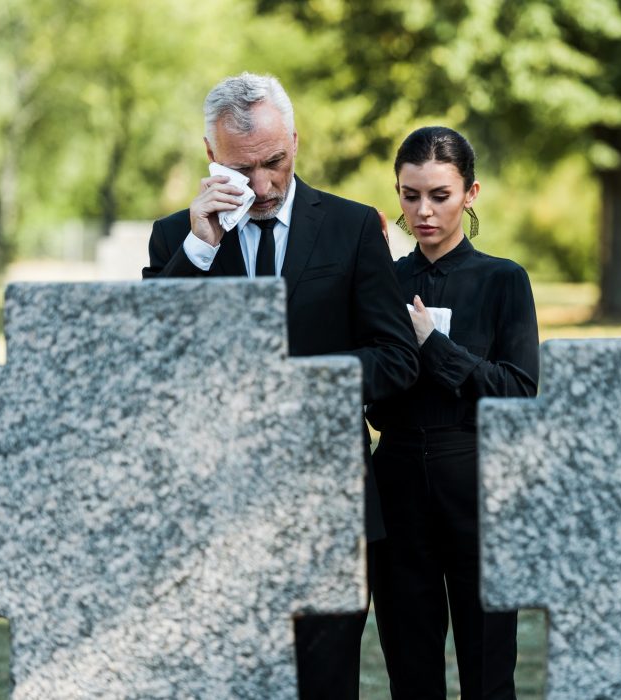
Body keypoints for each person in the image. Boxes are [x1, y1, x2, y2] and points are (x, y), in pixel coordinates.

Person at [142, 72, 420, 699]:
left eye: (276, 162)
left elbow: (396, 358)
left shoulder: (353, 228)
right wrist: (200, 248)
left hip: (327, 499)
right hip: (212, 502)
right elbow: (153, 360)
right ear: (212, 156)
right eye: (245, 169)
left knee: (325, 685)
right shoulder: (174, 240)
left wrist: (303, 386)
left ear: (295, 140)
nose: (264, 186)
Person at [368, 126, 540, 699]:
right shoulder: (383, 283)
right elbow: (370, 395)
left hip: (480, 490)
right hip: (396, 491)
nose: (422, 211)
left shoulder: (503, 280)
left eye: (439, 195)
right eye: (409, 194)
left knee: (489, 674)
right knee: (410, 675)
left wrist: (434, 349)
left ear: (471, 194)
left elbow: (518, 390)